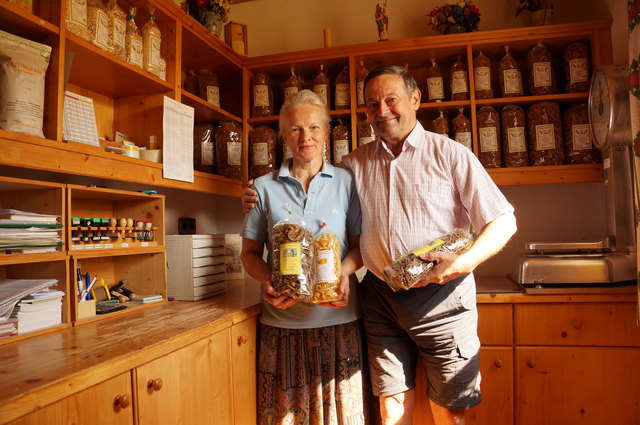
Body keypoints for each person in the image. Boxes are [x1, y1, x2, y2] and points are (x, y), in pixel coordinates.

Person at [243, 66, 517, 425]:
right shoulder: (354, 165)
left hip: (443, 295)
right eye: (373, 104)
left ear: (415, 99)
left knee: (451, 410)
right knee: (390, 407)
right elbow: (308, 182)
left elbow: (503, 220)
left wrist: (464, 263)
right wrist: (252, 192)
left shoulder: (450, 154)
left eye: (391, 100)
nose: (382, 110)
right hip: (380, 298)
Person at [240, 89, 370, 425]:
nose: (305, 136)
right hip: (282, 325)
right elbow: (250, 254)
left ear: (327, 132)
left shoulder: (347, 183)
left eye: (314, 127)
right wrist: (269, 279)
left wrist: (343, 273)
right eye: (296, 129)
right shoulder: (262, 187)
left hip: (338, 322)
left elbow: (360, 246)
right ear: (284, 135)